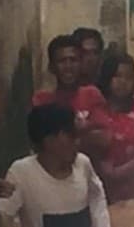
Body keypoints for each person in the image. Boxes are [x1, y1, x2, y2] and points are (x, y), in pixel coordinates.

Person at [0, 104, 113, 227]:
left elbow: (97, 197)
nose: (77, 142)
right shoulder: (22, 174)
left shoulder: (83, 165)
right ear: (50, 141)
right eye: (71, 136)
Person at [33, 34, 111, 173]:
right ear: (52, 67)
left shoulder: (92, 95)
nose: (68, 66)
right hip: (52, 177)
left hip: (89, 175)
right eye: (62, 61)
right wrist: (84, 130)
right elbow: (41, 146)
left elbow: (104, 139)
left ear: (81, 64)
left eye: (73, 60)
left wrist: (64, 136)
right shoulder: (41, 100)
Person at [94, 52, 134, 204]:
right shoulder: (95, 111)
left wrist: (117, 173)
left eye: (128, 77)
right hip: (98, 194)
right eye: (117, 76)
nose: (123, 82)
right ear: (107, 78)